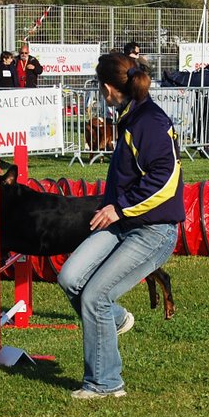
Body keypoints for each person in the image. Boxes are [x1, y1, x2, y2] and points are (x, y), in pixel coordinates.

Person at [58, 53, 185, 399]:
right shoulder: (128, 117)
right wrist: (111, 206)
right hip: (123, 222)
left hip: (153, 230)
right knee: (70, 278)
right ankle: (114, 319)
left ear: (107, 88)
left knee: (95, 296)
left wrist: (121, 209)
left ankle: (105, 383)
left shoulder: (150, 122)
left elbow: (166, 179)